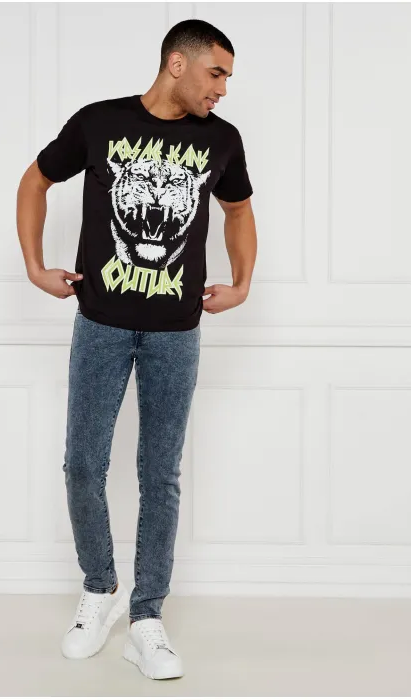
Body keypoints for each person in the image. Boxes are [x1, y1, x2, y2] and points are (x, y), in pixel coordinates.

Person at [16, 18, 257, 681]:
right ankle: (100, 589)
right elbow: (35, 180)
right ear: (178, 63)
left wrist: (243, 283)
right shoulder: (99, 122)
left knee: (161, 476)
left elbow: (238, 210)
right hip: (99, 323)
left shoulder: (222, 140)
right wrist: (34, 267)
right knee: (82, 465)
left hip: (177, 331)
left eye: (228, 78)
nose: (223, 89)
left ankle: (146, 616)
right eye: (216, 73)